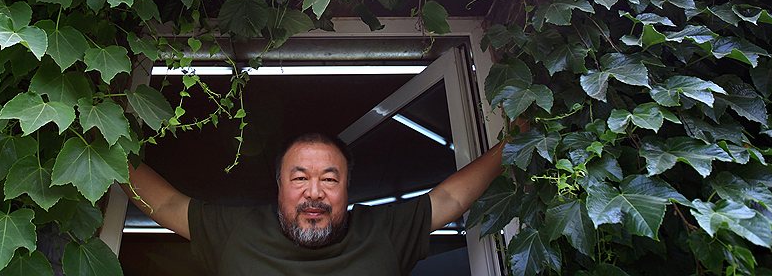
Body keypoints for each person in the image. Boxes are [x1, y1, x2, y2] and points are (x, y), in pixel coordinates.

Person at [123, 129, 512, 276]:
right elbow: (168, 204)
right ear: (279, 186)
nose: (314, 192)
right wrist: (101, 153)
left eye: (329, 179)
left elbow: (449, 197)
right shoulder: (236, 231)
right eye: (299, 178)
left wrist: (515, 143)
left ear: (347, 188)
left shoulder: (383, 232)